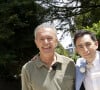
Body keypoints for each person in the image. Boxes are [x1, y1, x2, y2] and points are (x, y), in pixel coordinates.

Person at [21, 22, 75, 90]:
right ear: (36, 43)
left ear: (56, 41)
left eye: (49, 38)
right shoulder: (27, 69)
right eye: (41, 39)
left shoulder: (70, 64)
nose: (46, 42)